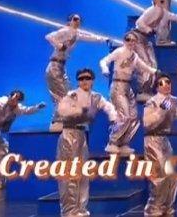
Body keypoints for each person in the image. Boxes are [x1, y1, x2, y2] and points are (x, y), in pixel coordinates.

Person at [55, 68, 120, 217]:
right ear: (78, 81)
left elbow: (108, 107)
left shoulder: (95, 97)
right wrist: (80, 111)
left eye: (87, 78)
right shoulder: (72, 95)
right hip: (69, 134)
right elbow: (62, 110)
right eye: (81, 78)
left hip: (82, 135)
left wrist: (113, 118)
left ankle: (81, 208)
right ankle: (69, 210)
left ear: (92, 80)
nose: (84, 81)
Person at [44, 14, 111, 131]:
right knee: (63, 94)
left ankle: (64, 120)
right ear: (69, 21)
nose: (77, 21)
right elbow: (49, 36)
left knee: (69, 94)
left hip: (61, 67)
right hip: (54, 66)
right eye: (75, 19)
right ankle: (57, 121)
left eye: (79, 20)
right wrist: (59, 45)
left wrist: (103, 39)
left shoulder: (77, 34)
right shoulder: (65, 31)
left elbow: (89, 37)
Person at [99, 31, 159, 155]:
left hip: (128, 87)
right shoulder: (119, 51)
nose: (131, 42)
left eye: (133, 40)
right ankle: (112, 142)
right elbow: (104, 60)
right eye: (128, 40)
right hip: (118, 85)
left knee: (133, 117)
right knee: (124, 116)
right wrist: (104, 69)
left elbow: (144, 67)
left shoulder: (134, 56)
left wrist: (155, 72)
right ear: (124, 41)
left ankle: (124, 143)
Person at [143, 73, 177, 216]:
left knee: (172, 175)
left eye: (168, 82)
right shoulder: (152, 102)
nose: (166, 85)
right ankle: (153, 208)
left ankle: (166, 206)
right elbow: (147, 123)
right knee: (159, 175)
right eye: (161, 83)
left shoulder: (173, 101)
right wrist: (161, 110)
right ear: (156, 87)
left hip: (164, 139)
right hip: (152, 140)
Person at [0, 90, 45, 190]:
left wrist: (37, 107)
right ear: (9, 96)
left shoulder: (16, 108)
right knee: (0, 154)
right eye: (13, 98)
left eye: (16, 100)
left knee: (9, 152)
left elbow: (27, 110)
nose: (13, 101)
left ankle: (3, 178)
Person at [134, 0, 177, 97]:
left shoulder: (164, 13)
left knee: (153, 64)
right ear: (155, 0)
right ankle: (142, 90)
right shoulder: (151, 10)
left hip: (147, 40)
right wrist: (148, 29)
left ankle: (148, 89)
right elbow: (139, 22)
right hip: (138, 38)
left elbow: (176, 17)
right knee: (145, 63)